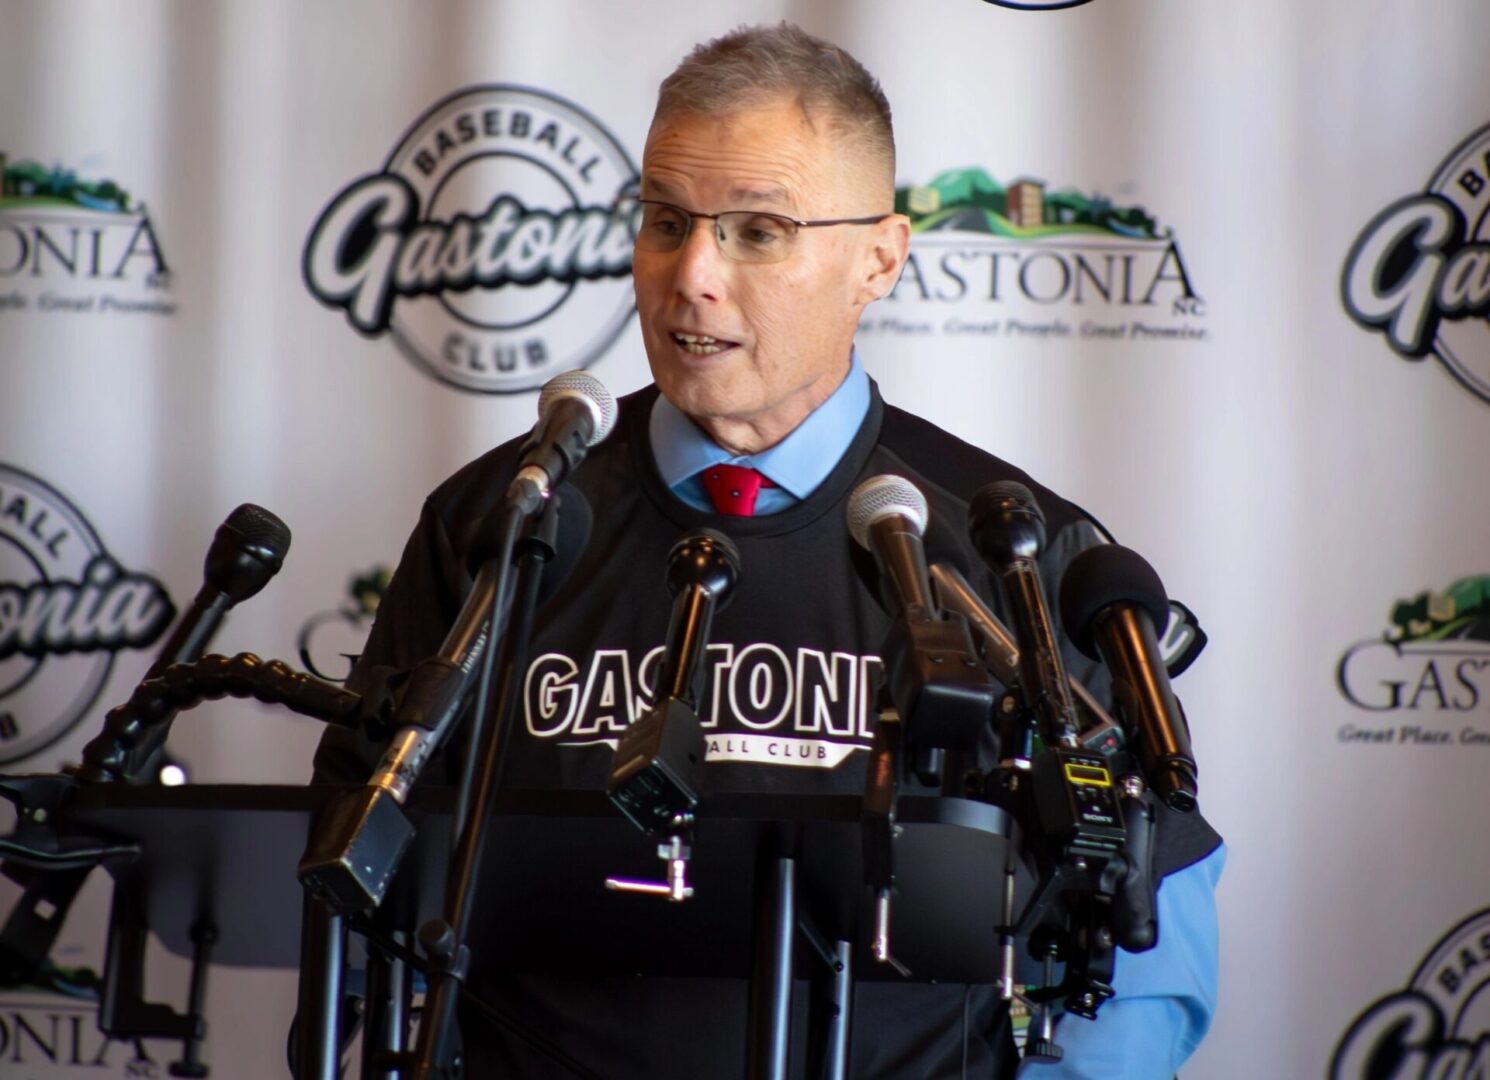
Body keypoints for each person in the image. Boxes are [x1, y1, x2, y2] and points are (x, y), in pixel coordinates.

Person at [315, 23, 1224, 1079]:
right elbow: (359, 863)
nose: (690, 273)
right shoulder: (507, 521)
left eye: (756, 231)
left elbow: (1149, 935)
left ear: (877, 258)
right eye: (664, 221)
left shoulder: (1011, 554)